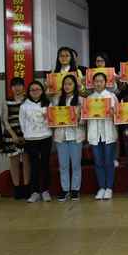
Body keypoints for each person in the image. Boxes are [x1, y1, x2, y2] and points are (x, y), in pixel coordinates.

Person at [85, 72, 118, 200]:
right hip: (95, 133)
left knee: (109, 161)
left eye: (101, 81)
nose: (98, 83)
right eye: (96, 81)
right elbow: (85, 118)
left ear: (105, 83)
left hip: (108, 132)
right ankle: (101, 187)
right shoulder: (89, 99)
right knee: (98, 162)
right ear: (93, 83)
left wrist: (114, 113)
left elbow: (119, 116)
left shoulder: (111, 96)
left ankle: (109, 188)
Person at [53, 74, 85, 202]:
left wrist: (78, 118)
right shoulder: (56, 100)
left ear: (75, 86)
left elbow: (85, 119)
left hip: (75, 135)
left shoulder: (81, 100)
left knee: (76, 164)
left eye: (70, 84)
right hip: (61, 136)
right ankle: (65, 189)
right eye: (65, 84)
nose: (67, 86)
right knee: (63, 165)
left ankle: (75, 190)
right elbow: (52, 117)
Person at [20, 81, 53, 203]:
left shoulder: (48, 103)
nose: (35, 92)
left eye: (38, 89)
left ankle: (45, 191)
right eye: (32, 90)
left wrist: (47, 119)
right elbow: (22, 122)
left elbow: (52, 119)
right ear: (29, 92)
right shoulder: (24, 106)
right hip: (31, 139)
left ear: (42, 91)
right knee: (34, 165)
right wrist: (27, 134)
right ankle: (34, 192)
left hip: (45, 137)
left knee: (45, 164)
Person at [1, 77, 31, 200]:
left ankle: (27, 187)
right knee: (14, 162)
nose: (17, 88)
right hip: (11, 135)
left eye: (19, 85)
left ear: (23, 87)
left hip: (27, 134)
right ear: (11, 88)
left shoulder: (28, 100)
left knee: (26, 161)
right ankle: (17, 189)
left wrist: (26, 134)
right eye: (14, 85)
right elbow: (4, 120)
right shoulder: (6, 101)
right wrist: (13, 134)